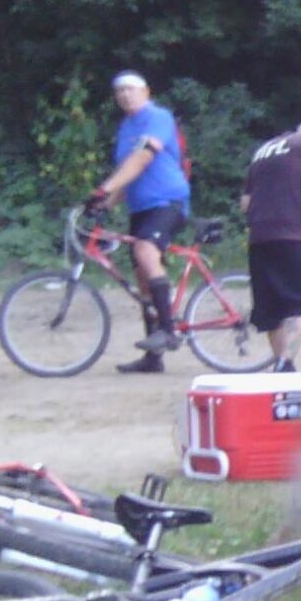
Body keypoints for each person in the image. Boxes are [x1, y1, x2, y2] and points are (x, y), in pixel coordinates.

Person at [86, 71, 191, 374]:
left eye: (131, 89)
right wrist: (104, 202)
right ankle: (153, 358)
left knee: (146, 250)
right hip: (141, 207)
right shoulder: (126, 127)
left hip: (167, 201)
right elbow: (128, 173)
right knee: (143, 279)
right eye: (119, 91)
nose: (125, 95)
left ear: (146, 91)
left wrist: (104, 188)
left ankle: (168, 330)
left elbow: (143, 159)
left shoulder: (158, 117)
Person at [240, 120, 301, 372]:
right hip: (297, 235)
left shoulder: (263, 151)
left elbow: (245, 202)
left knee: (272, 307)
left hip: (260, 237)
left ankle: (283, 367)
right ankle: (285, 361)